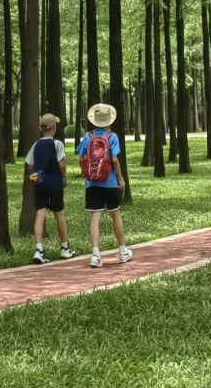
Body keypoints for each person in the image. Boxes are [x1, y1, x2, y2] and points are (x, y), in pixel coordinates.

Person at [76, 102, 133, 268]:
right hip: (110, 182)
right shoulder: (112, 137)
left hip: (92, 183)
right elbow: (114, 159)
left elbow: (81, 158)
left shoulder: (88, 137)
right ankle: (122, 251)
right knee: (115, 214)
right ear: (108, 121)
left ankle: (95, 255)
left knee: (95, 217)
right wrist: (121, 180)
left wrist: (87, 173)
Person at [26, 112, 75, 264]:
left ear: (41, 128)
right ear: (54, 127)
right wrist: (63, 176)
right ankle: (64, 247)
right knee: (59, 213)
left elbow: (29, 165)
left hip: (39, 184)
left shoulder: (36, 145)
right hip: (55, 184)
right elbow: (62, 164)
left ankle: (39, 249)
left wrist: (37, 173)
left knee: (40, 214)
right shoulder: (58, 144)